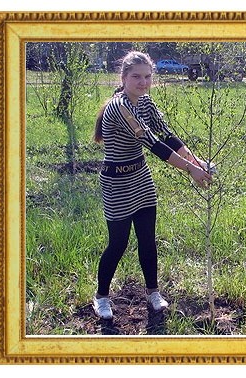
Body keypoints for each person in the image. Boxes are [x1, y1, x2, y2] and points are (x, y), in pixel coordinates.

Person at [91, 51, 213, 320]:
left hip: (141, 177)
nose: (143, 82)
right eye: (136, 77)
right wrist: (191, 169)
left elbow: (167, 135)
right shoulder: (119, 107)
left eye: (147, 77)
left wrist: (196, 160)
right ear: (123, 78)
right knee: (118, 244)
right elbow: (153, 144)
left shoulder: (145, 102)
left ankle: (153, 292)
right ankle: (101, 296)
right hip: (116, 183)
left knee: (148, 240)